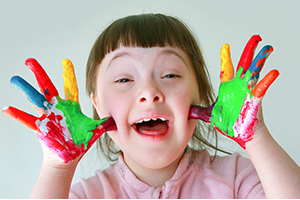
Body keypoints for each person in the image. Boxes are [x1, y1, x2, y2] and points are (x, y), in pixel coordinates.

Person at [3, 13, 300, 198]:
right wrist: (58, 168)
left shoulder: (237, 178)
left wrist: (256, 137)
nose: (149, 92)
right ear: (96, 105)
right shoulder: (87, 195)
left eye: (170, 75)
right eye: (123, 79)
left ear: (202, 97)